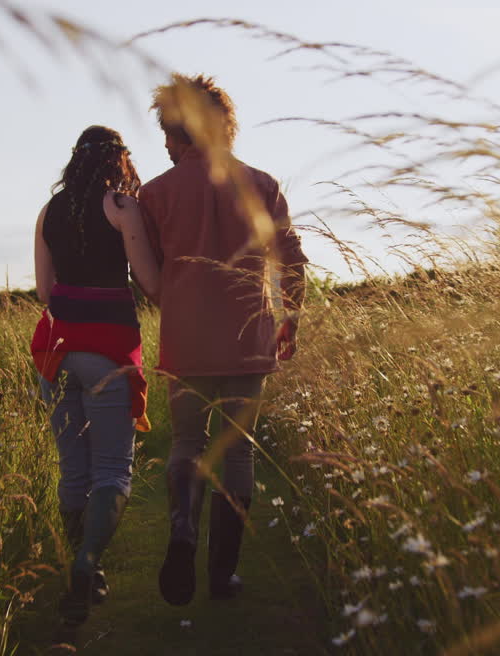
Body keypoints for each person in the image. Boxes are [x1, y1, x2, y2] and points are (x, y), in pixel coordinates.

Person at [137, 74, 308, 605]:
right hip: (247, 338)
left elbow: (148, 272)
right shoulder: (260, 184)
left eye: (167, 133)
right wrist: (290, 319)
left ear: (180, 131)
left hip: (186, 340)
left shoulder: (155, 194)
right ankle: (222, 576)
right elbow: (293, 261)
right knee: (236, 454)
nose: (164, 144)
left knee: (187, 443)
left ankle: (184, 529)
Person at [30, 125, 160, 627]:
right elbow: (148, 280)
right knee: (112, 472)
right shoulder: (122, 207)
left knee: (74, 471)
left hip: (57, 352)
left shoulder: (48, 212)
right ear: (119, 159)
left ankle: (82, 568)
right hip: (109, 351)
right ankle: (87, 564)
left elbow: (45, 291)